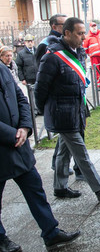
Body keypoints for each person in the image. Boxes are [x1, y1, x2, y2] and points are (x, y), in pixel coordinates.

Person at [34, 17, 100, 202]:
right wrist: (47, 111)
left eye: (84, 33)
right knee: (81, 154)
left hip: (75, 110)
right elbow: (40, 89)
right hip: (62, 114)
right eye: (79, 33)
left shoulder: (79, 52)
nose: (83, 37)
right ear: (66, 33)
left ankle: (60, 187)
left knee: (64, 151)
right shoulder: (52, 57)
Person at [0, 62, 80, 252]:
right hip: (5, 145)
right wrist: (12, 134)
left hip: (19, 145)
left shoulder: (2, 67)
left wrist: (26, 126)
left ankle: (51, 232)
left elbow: (20, 97)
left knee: (35, 189)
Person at [34, 14, 82, 179]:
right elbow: (42, 80)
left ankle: (60, 181)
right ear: (55, 27)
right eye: (62, 24)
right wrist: (44, 107)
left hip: (74, 102)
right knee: (73, 143)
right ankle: (92, 182)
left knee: (65, 143)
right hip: (61, 104)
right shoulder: (48, 46)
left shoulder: (73, 46)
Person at [83, 22, 100, 90]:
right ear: (90, 28)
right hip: (94, 56)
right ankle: (97, 86)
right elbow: (85, 48)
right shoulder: (87, 37)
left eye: (95, 26)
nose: (94, 27)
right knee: (96, 71)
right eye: (92, 26)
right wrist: (90, 54)